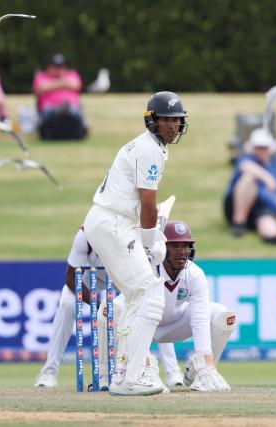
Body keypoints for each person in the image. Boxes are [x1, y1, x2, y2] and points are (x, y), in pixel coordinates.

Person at [83, 91, 188, 396]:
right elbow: (148, 204)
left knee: (135, 298)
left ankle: (127, 369)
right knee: (149, 292)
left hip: (109, 221)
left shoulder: (151, 147)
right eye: (165, 120)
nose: (171, 126)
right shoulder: (149, 149)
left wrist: (147, 240)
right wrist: (149, 242)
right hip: (114, 223)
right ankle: (129, 377)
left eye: (176, 120)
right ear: (152, 121)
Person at [34, 227, 184, 389]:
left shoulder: (130, 232)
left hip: (122, 279)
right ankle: (49, 371)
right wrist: (99, 306)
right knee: (66, 304)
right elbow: (71, 278)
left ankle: (172, 371)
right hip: (89, 278)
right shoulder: (85, 236)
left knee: (151, 303)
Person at [98, 220, 236, 392]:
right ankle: (115, 373)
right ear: (162, 248)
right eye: (175, 246)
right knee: (108, 309)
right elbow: (129, 307)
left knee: (223, 316)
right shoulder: (146, 268)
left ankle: (199, 371)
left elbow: (200, 318)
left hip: (176, 324)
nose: (182, 252)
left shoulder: (195, 274)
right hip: (141, 327)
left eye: (185, 246)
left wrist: (205, 359)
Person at [223, 128, 276, 244]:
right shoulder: (247, 159)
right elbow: (246, 166)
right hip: (236, 205)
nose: (261, 150)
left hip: (262, 207)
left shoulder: (273, 163)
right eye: (258, 147)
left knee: (266, 219)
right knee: (249, 177)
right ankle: (239, 222)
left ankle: (272, 237)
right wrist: (266, 178)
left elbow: (275, 191)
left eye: (264, 147)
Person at [32, 53, 87, 139]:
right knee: (50, 111)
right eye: (55, 66)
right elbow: (40, 89)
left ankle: (64, 112)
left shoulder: (72, 74)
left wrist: (52, 85)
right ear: (49, 66)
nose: (58, 69)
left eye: (61, 66)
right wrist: (63, 83)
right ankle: (61, 111)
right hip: (49, 110)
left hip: (71, 108)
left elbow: (76, 85)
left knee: (72, 111)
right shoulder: (41, 76)